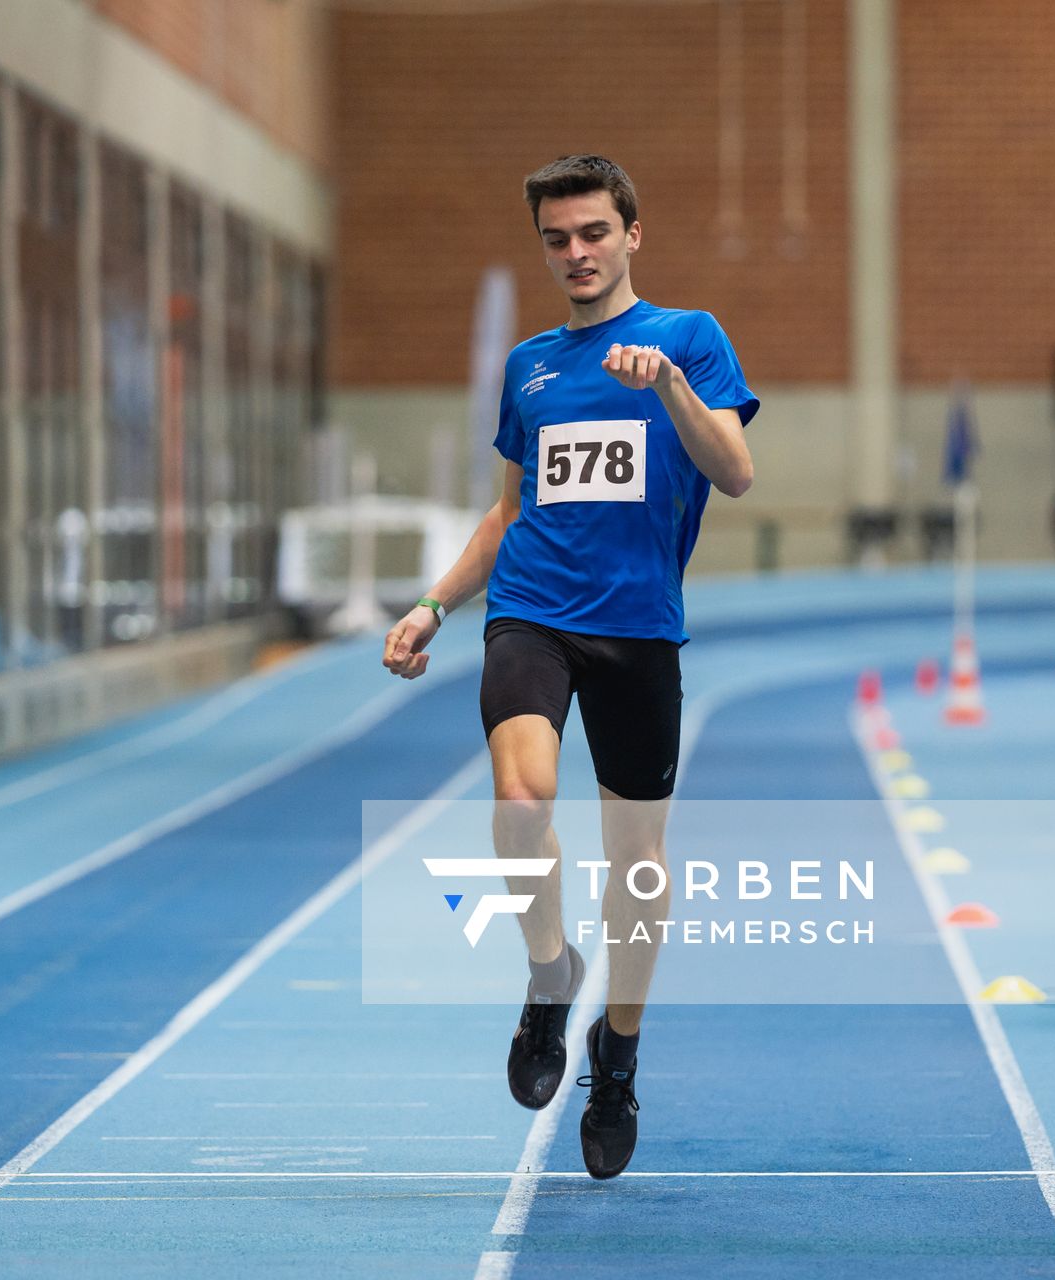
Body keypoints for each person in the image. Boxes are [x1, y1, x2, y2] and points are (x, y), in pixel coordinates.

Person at [380, 155, 757, 1180]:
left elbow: (735, 470)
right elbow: (509, 515)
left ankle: (618, 1056)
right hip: (532, 614)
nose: (577, 254)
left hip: (638, 628)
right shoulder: (530, 367)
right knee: (520, 793)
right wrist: (430, 604)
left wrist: (671, 385)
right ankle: (551, 975)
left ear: (634, 233)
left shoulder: (689, 338)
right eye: (558, 239)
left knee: (637, 870)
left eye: (594, 232)